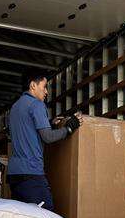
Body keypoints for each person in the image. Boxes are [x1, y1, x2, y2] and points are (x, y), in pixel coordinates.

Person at [7, 74, 82, 210]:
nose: (46, 92)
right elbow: (48, 137)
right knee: (46, 216)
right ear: (33, 85)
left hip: (14, 174)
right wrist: (69, 128)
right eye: (44, 86)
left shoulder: (15, 107)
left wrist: (49, 124)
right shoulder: (36, 104)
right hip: (31, 173)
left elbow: (27, 130)